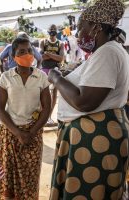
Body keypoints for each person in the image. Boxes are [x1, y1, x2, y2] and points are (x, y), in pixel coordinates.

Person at [48, 0, 129, 199]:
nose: (77, 34)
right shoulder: (105, 52)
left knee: (88, 192)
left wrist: (56, 78)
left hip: (95, 141)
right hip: (91, 137)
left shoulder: (108, 53)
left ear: (96, 27)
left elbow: (85, 102)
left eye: (81, 27)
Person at [0, 36, 51, 199]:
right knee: (8, 177)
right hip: (10, 134)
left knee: (30, 176)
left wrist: (31, 133)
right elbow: (0, 109)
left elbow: (46, 109)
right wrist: (19, 134)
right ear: (13, 56)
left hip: (34, 133)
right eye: (22, 52)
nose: (27, 54)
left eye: (30, 51)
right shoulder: (6, 77)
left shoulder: (41, 77)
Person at [40, 25, 65, 125]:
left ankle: (49, 117)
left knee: (54, 94)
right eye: (51, 30)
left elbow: (61, 58)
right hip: (45, 70)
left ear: (56, 31)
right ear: (48, 31)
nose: (52, 32)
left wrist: (48, 54)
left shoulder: (60, 43)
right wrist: (55, 56)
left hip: (55, 70)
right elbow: (42, 56)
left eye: (54, 30)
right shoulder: (43, 42)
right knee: (43, 94)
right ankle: (43, 117)